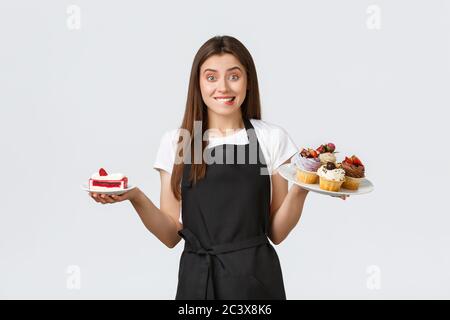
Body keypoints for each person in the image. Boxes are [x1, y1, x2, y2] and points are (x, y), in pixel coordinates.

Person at [89, 35, 347, 300]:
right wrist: (135, 197)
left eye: (234, 76)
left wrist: (301, 189)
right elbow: (170, 235)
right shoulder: (177, 142)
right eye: (211, 77)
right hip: (197, 283)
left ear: (248, 81)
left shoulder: (271, 138)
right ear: (198, 84)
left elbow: (277, 232)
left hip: (255, 283)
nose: (223, 87)